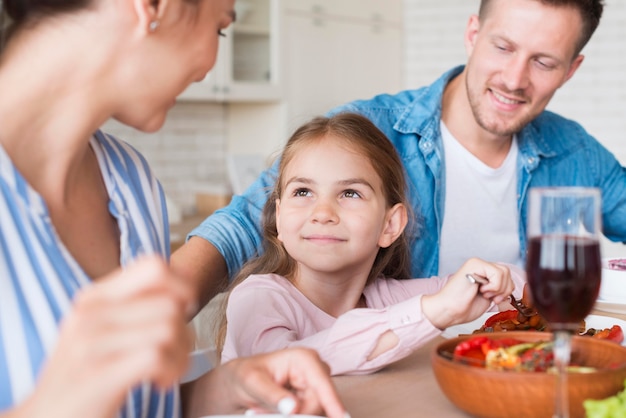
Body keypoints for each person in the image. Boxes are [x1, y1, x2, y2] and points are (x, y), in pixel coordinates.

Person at [0, 0, 348, 417]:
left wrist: (225, 388)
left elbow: (135, 406)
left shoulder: (131, 181)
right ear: (152, 6)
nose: (208, 64)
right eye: (219, 29)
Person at [172, 0, 626, 309]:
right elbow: (240, 227)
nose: (513, 78)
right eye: (503, 47)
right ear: (473, 33)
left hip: (518, 377)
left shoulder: (577, 154)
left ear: (571, 70)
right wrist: (162, 314)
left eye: (544, 62)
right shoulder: (370, 130)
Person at [215, 113, 525, 376]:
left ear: (390, 225)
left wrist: (496, 282)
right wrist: (433, 311)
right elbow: (284, 365)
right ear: (279, 218)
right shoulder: (258, 298)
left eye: (350, 193)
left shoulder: (386, 297)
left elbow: (507, 283)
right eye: (303, 192)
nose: (322, 213)